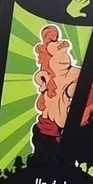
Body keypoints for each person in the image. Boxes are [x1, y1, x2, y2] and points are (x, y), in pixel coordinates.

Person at [32, 25, 80, 160]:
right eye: (53, 41)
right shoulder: (49, 76)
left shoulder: (71, 72)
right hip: (48, 134)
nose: (61, 43)